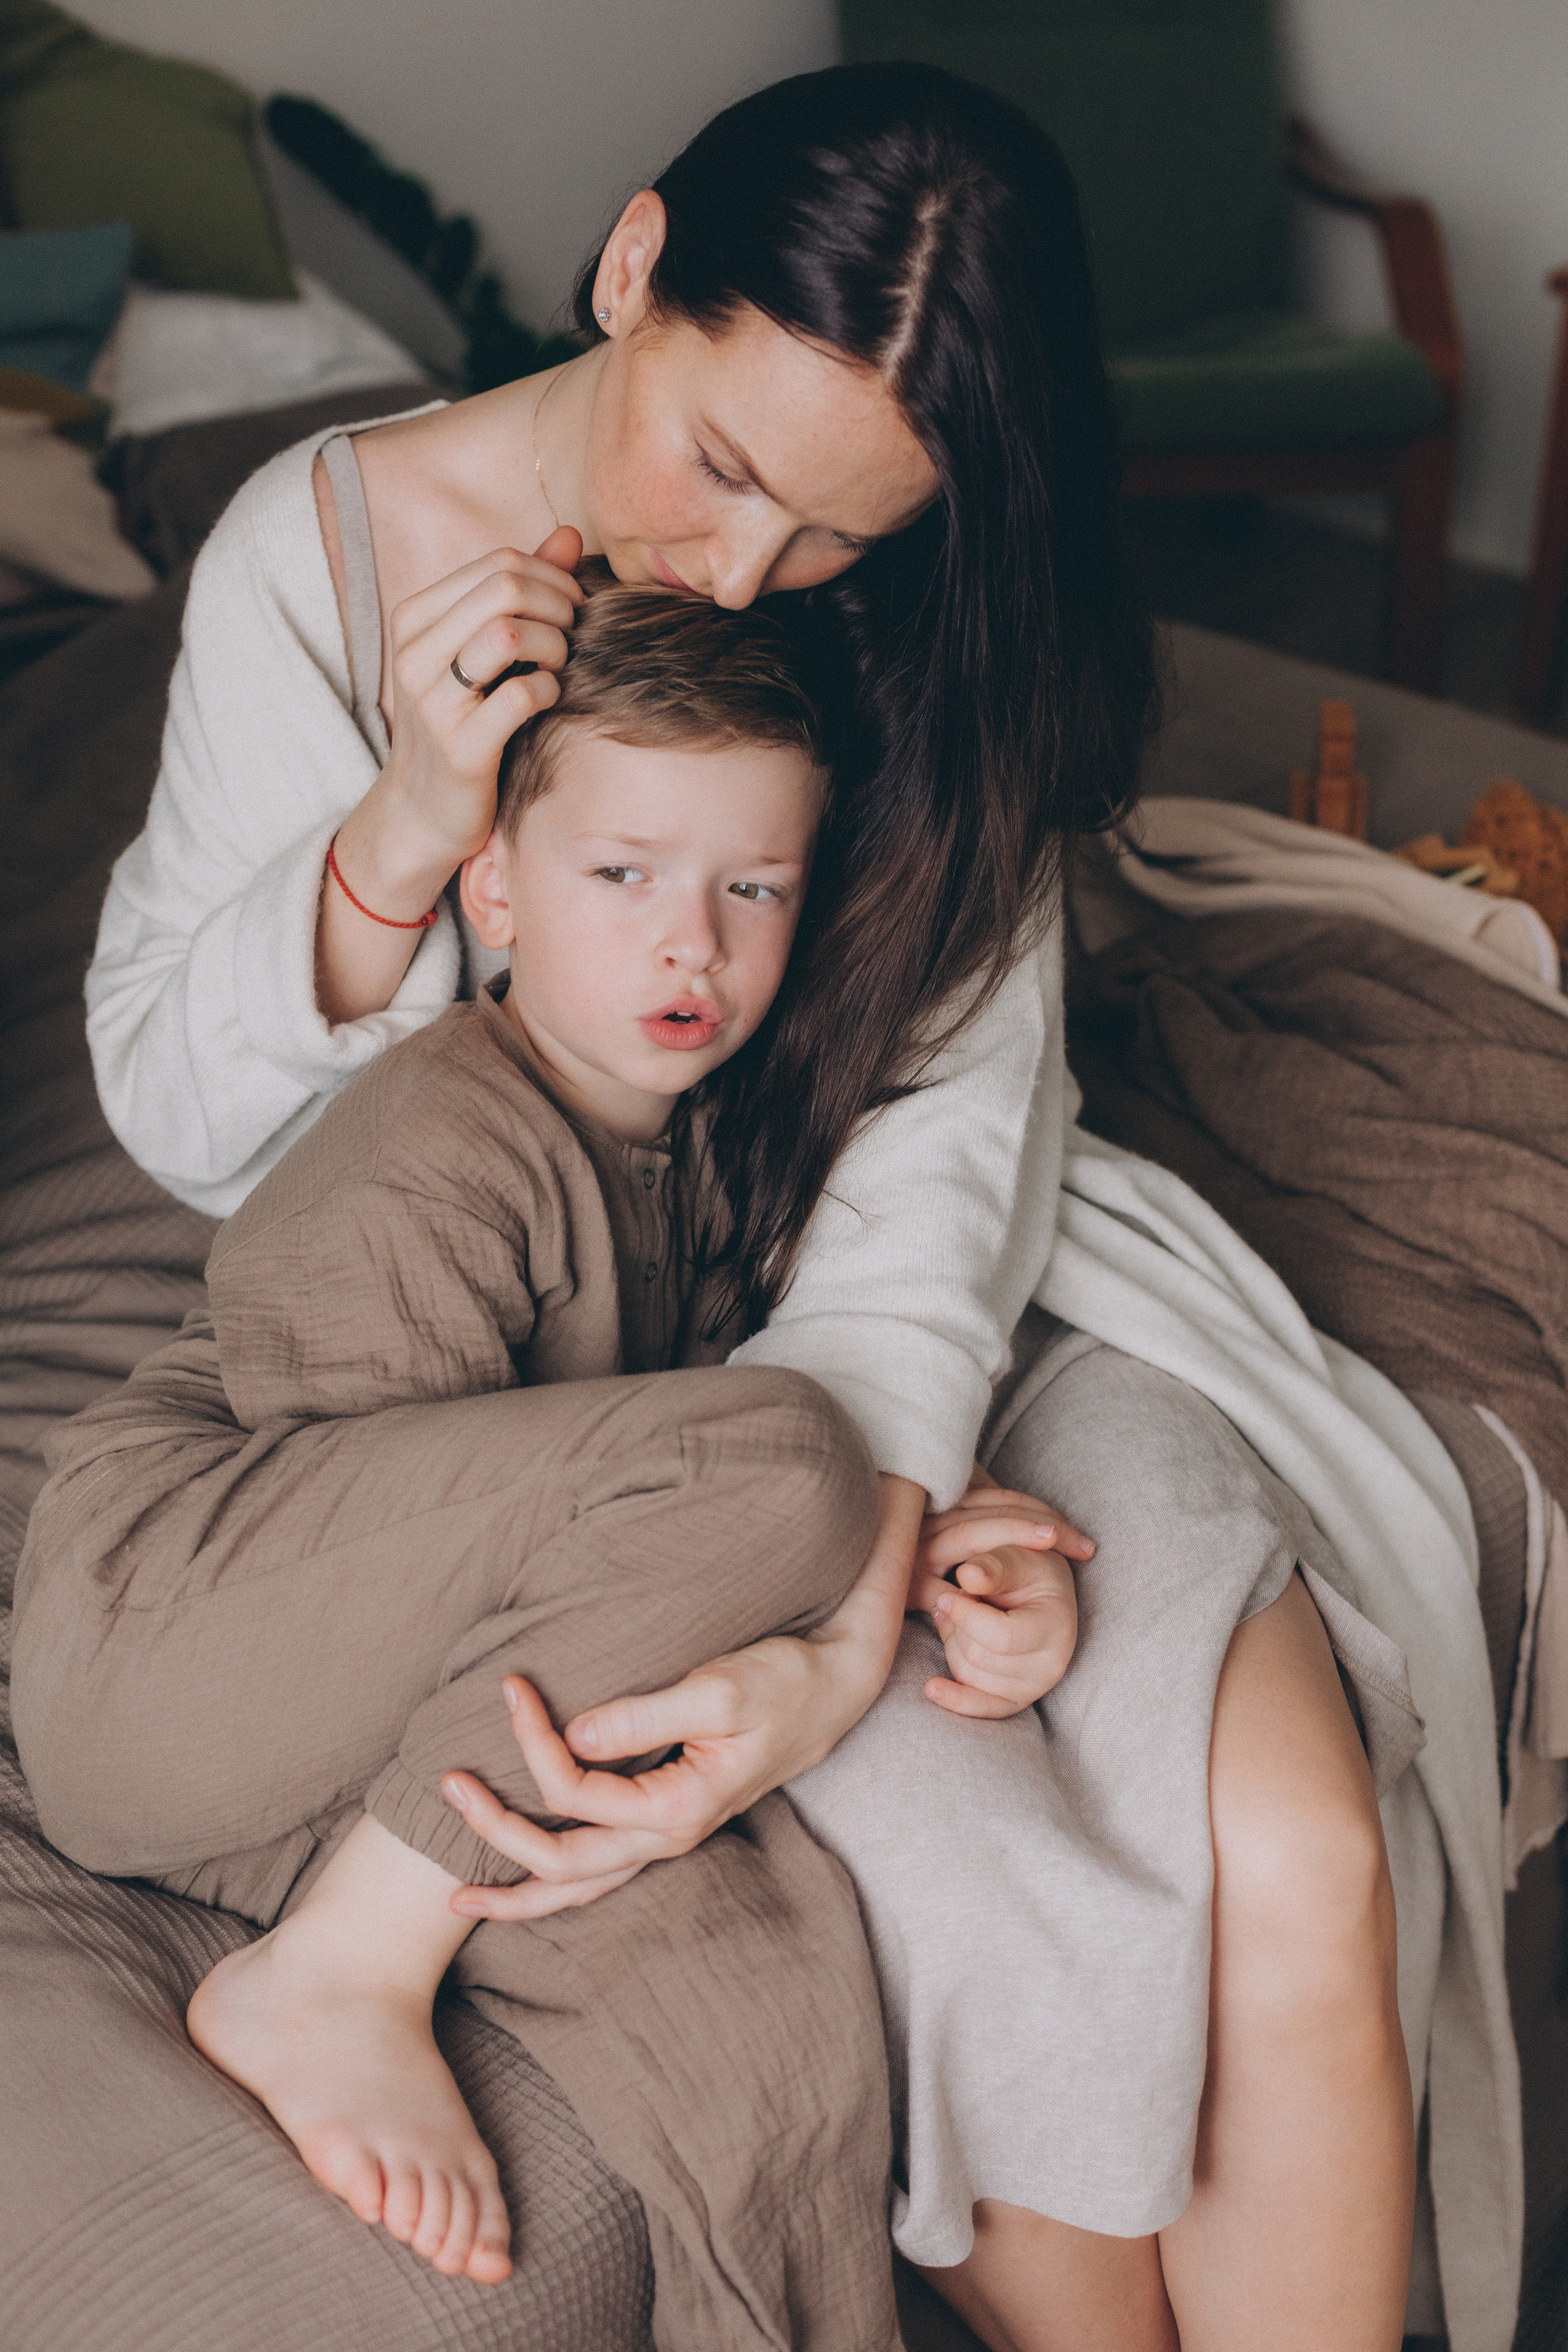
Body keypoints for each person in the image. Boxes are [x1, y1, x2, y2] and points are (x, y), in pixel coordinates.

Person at [80, 61, 1415, 2352]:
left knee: (1301, 1856)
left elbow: (941, 1174)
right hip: (566, 1396)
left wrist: (852, 1607)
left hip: (917, 1323)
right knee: (1008, 1908)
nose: (739, 578)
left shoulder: (936, 633)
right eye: (716, 465)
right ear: (630, 270)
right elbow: (200, 1136)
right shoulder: (312, 560)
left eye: (839, 534)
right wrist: (406, 826)